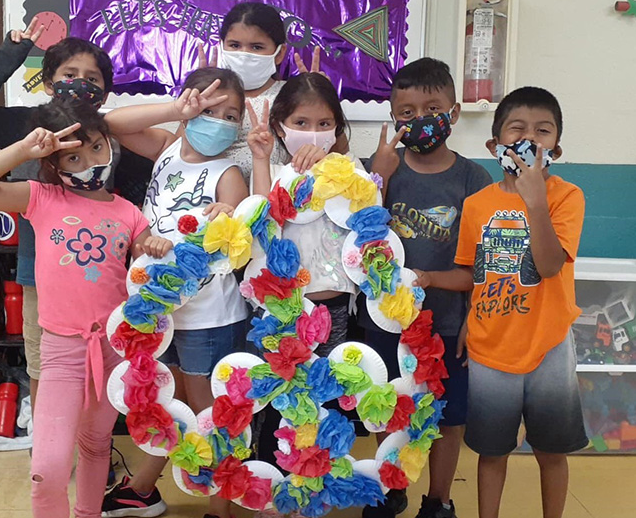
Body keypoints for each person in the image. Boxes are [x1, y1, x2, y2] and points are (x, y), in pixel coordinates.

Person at [0, 99, 173, 518]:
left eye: (95, 148)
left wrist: (158, 245)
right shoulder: (41, 197)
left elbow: (147, 257)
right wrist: (22, 150)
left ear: (110, 144)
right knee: (48, 468)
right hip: (61, 353)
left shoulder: (129, 213)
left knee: (95, 446)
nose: (88, 161)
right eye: (72, 156)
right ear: (55, 165)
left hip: (113, 350)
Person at [416, 86, 587, 518]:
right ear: (496, 145)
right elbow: (475, 273)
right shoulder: (477, 204)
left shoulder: (567, 197)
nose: (530, 138)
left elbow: (549, 266)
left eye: (543, 131)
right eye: (518, 129)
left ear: (556, 148)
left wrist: (535, 202)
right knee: (492, 453)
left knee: (551, 451)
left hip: (548, 346)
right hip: (490, 350)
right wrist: (431, 278)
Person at [100, 67, 249, 518]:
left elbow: (239, 247)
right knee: (173, 404)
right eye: (211, 109)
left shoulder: (230, 174)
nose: (221, 121)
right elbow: (109, 124)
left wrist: (228, 218)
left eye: (232, 114)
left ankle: (219, 508)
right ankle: (144, 488)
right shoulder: (165, 147)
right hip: (160, 315)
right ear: (190, 104)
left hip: (209, 317)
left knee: (211, 411)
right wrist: (175, 112)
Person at [0, 18, 115, 413]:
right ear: (48, 82)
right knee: (44, 363)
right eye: (70, 74)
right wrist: (13, 50)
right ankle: (47, 447)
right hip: (40, 270)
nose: (81, 82)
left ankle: (92, 445)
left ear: (105, 92)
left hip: (102, 272)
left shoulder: (111, 133)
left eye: (92, 79)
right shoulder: (22, 127)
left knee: (100, 361)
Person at [360, 58, 492, 518]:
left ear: (453, 114)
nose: (419, 120)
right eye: (407, 112)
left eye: (432, 108)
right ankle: (388, 484)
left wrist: (458, 305)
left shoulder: (474, 180)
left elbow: (480, 268)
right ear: (393, 118)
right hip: (383, 320)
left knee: (448, 418)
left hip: (448, 323)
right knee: (385, 404)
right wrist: (379, 177)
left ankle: (438, 500)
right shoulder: (377, 170)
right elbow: (359, 240)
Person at [246, 72, 360, 518]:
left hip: (332, 309)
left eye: (324, 123)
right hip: (282, 312)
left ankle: (314, 493)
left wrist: (333, 171)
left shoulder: (349, 173)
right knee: (281, 403)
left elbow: (363, 222)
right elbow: (259, 227)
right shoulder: (273, 172)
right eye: (301, 121)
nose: (313, 133)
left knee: (325, 400)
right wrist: (260, 160)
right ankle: (277, 495)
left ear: (336, 129)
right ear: (279, 126)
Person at [201, 2, 328, 182]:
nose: (244, 54)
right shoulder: (209, 95)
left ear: (279, 53)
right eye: (235, 45)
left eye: (256, 47)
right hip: (210, 196)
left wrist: (320, 96)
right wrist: (199, 99)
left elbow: (339, 152)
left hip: (273, 198)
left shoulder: (292, 94)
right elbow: (180, 149)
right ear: (222, 46)